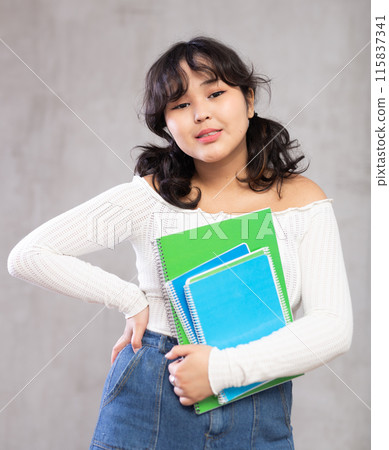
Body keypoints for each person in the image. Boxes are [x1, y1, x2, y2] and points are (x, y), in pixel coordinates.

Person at [7, 36, 353, 449]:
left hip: (257, 398)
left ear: (249, 99)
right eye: (180, 105)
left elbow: (333, 327)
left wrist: (221, 369)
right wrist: (130, 299)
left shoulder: (303, 201)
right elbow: (28, 255)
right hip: (152, 391)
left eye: (216, 93)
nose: (201, 114)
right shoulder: (148, 198)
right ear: (166, 125)